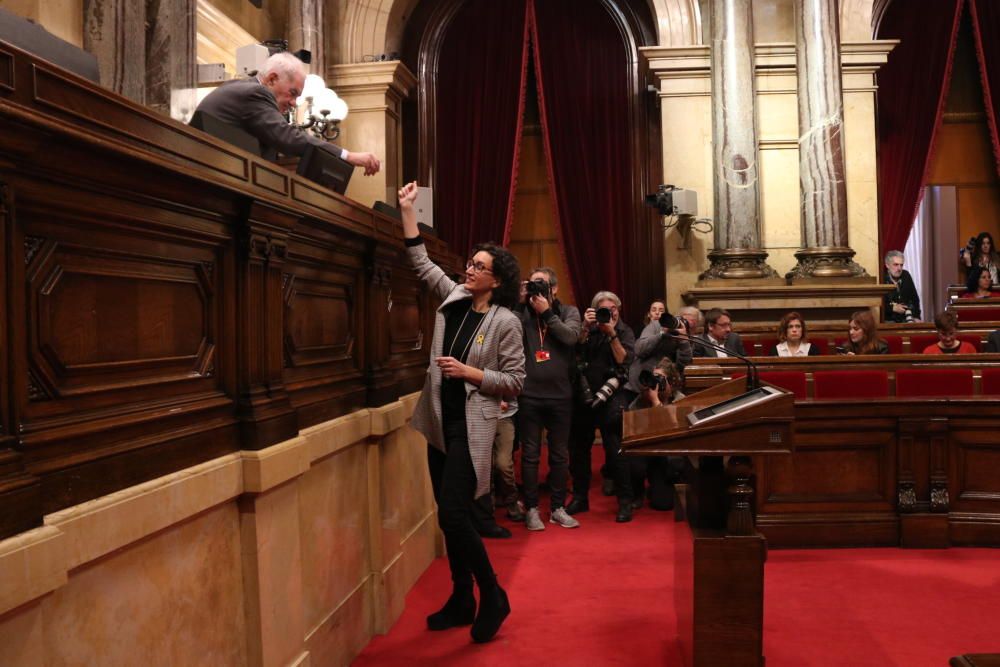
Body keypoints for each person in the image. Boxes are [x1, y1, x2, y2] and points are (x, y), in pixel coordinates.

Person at [398, 181, 524, 643]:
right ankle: (461, 597)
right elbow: (419, 260)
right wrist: (408, 210)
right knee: (450, 515)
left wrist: (471, 373)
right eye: (470, 264)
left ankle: (493, 594)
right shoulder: (452, 299)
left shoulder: (505, 322)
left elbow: (515, 382)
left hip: (471, 432)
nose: (469, 270)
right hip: (439, 426)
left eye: (480, 267)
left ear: (497, 280)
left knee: (454, 515)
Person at [194, 52, 380, 173]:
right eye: (292, 93)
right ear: (272, 79)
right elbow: (288, 138)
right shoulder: (255, 92)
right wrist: (348, 156)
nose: (293, 103)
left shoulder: (245, 89)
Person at [516, 267, 582, 531]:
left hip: (560, 396)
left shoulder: (569, 312)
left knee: (559, 455)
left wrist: (546, 312)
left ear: (554, 289)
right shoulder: (520, 313)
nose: (537, 289)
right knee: (530, 455)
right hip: (528, 395)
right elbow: (503, 332)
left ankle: (557, 508)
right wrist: (517, 301)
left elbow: (570, 337)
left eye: (542, 285)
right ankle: (531, 508)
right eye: (533, 284)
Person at [567, 291, 637, 522]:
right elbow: (574, 353)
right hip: (585, 395)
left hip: (612, 397)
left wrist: (612, 334)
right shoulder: (591, 328)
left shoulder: (625, 331)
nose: (609, 313)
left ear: (618, 309)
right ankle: (580, 498)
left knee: (616, 452)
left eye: (612, 308)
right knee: (579, 451)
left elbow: (623, 360)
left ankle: (625, 501)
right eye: (603, 309)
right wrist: (585, 327)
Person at [627, 358, 686, 511]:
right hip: (647, 453)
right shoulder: (642, 400)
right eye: (654, 378)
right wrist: (647, 400)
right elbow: (631, 427)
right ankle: (637, 492)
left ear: (671, 383)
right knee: (633, 458)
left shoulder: (680, 401)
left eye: (660, 379)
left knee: (663, 504)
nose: (655, 383)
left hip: (668, 458)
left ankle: (656, 487)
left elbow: (671, 432)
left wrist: (656, 402)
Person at [883, 250, 921, 323]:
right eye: (896, 265)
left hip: (907, 319)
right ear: (887, 265)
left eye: (901, 265)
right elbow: (878, 306)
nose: (899, 268)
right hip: (888, 320)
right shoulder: (882, 278)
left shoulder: (906, 275)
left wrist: (917, 317)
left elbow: (915, 299)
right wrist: (892, 308)